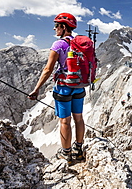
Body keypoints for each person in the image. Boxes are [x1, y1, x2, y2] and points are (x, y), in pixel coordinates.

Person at [28, 12, 85, 164]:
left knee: (65, 121)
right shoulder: (80, 42)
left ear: (64, 27)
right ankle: (79, 150)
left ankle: (66, 153)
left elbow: (48, 69)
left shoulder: (59, 45)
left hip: (64, 87)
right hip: (79, 86)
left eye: (56, 26)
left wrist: (36, 89)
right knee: (78, 118)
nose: (54, 29)